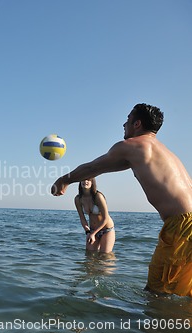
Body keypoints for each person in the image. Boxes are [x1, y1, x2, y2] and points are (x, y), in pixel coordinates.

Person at [52, 103, 192, 297]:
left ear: (137, 124)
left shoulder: (133, 147)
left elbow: (94, 168)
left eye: (127, 119)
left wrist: (64, 180)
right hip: (185, 224)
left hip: (182, 226)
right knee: (183, 293)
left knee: (157, 292)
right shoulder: (162, 151)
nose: (123, 124)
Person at [74, 178, 115, 253]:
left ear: (92, 182)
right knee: (89, 257)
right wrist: (88, 232)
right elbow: (82, 219)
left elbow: (105, 218)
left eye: (88, 180)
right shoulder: (78, 199)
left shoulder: (98, 196)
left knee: (105, 256)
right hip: (92, 230)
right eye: (83, 179)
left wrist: (93, 234)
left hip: (106, 229)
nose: (85, 181)